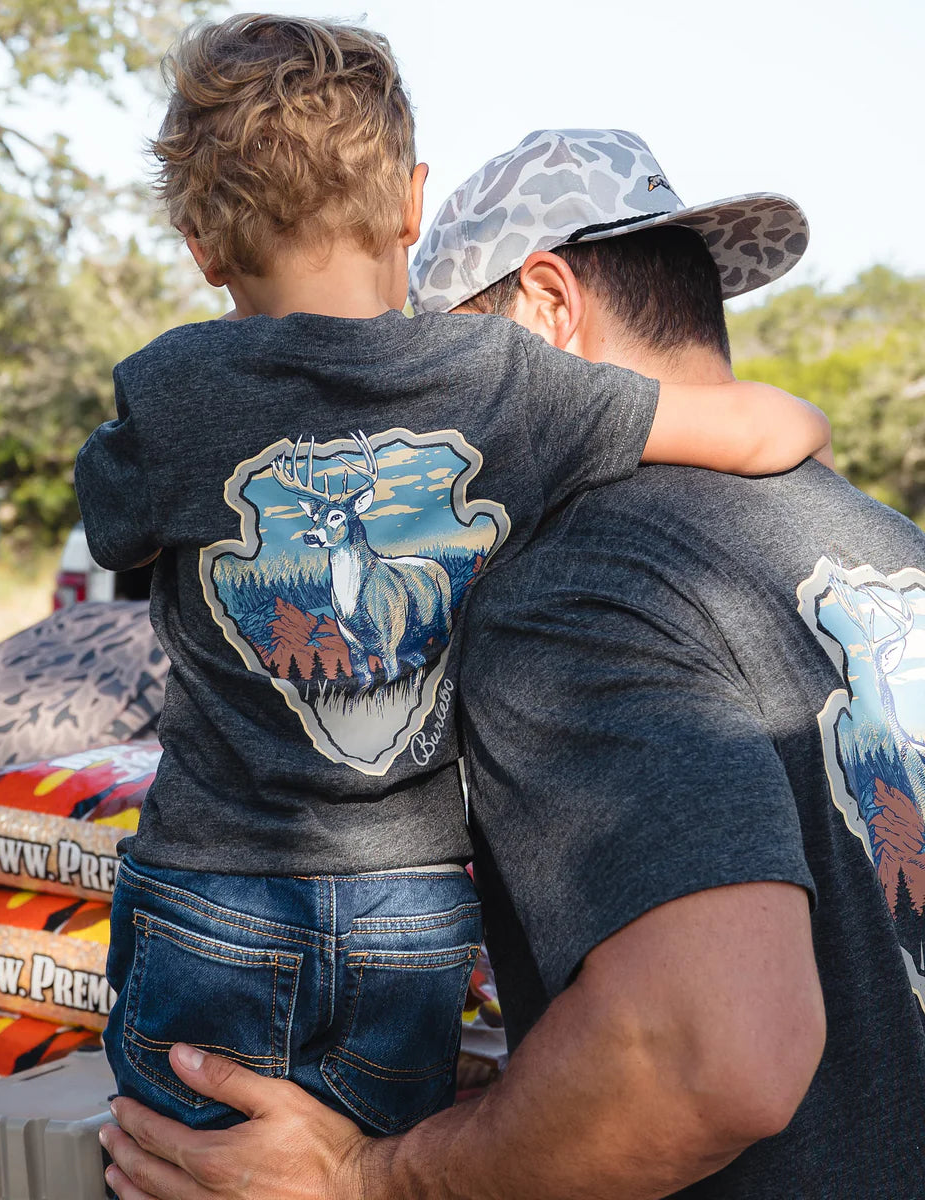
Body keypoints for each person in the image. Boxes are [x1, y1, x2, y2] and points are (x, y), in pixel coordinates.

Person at [97, 129, 925, 1199]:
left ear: (545, 304)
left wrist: (378, 1180)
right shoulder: (887, 545)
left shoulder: (582, 586)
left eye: (439, 364)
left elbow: (712, 1059)